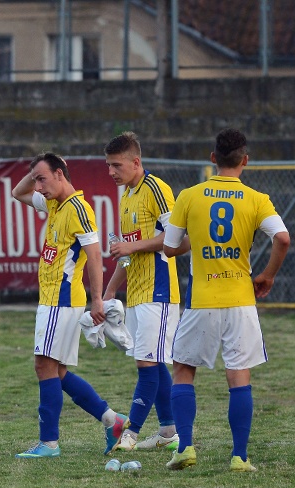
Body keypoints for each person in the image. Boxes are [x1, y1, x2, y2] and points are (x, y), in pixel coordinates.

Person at [163, 129, 289, 472]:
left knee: (184, 370)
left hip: (202, 298)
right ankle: (239, 457)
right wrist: (268, 275)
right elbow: (282, 238)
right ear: (245, 161)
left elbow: (171, 248)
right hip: (240, 299)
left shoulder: (189, 196)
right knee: (239, 375)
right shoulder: (256, 198)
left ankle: (186, 448)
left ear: (213, 158)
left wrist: (196, 236)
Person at [11, 153, 129, 458]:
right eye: (36, 179)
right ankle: (112, 421)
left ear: (60, 174)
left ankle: (48, 443)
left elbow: (94, 254)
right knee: (56, 371)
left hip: (61, 300)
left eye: (43, 178)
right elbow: (17, 193)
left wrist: (98, 299)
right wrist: (35, 169)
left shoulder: (78, 208)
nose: (37, 186)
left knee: (43, 366)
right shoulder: (53, 202)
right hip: (52, 299)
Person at [103, 132, 186, 452]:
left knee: (146, 364)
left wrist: (131, 245)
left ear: (136, 162)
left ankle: (131, 433)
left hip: (159, 291)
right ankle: (168, 433)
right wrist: (111, 290)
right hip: (137, 293)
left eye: (117, 165)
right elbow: (127, 254)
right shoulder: (126, 195)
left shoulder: (156, 188)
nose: (111, 172)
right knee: (154, 362)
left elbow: (175, 238)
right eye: (108, 165)